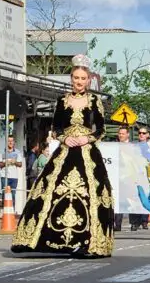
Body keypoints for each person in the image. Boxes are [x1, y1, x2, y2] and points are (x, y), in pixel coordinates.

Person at [12, 56, 114, 257]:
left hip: (87, 152)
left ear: (88, 80)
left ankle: (89, 243)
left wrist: (87, 139)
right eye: (76, 77)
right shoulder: (62, 100)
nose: (79, 81)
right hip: (66, 151)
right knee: (50, 191)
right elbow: (55, 128)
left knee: (89, 194)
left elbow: (101, 129)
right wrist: (64, 139)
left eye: (83, 78)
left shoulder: (94, 101)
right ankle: (34, 240)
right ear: (71, 78)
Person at [0, 135, 26, 215]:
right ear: (6, 142)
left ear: (14, 142)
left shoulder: (17, 152)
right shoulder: (2, 152)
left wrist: (15, 162)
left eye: (12, 141)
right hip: (4, 176)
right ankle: (5, 212)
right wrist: (5, 163)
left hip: (14, 177)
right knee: (5, 194)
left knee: (13, 194)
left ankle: (12, 212)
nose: (10, 142)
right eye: (9, 141)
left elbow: (20, 164)